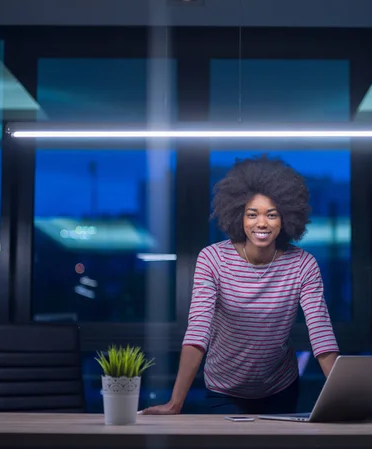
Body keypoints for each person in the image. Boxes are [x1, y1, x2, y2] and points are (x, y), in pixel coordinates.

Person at [140, 155, 339, 415]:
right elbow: (198, 332)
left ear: (286, 219)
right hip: (224, 388)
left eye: (272, 214)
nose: (262, 223)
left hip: (281, 387)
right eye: (252, 214)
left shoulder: (302, 264)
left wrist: (345, 401)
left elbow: (321, 335)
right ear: (238, 217)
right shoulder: (212, 259)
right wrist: (175, 403)